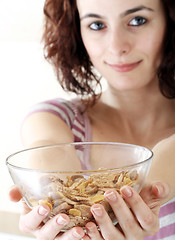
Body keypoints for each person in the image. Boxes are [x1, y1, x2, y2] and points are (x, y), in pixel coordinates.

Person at [9, 0, 175, 239]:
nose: (117, 46)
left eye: (137, 20)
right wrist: (50, 203)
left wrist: (147, 196)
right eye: (97, 25)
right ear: (77, 32)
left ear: (170, 22)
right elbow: (46, 153)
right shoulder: (56, 118)